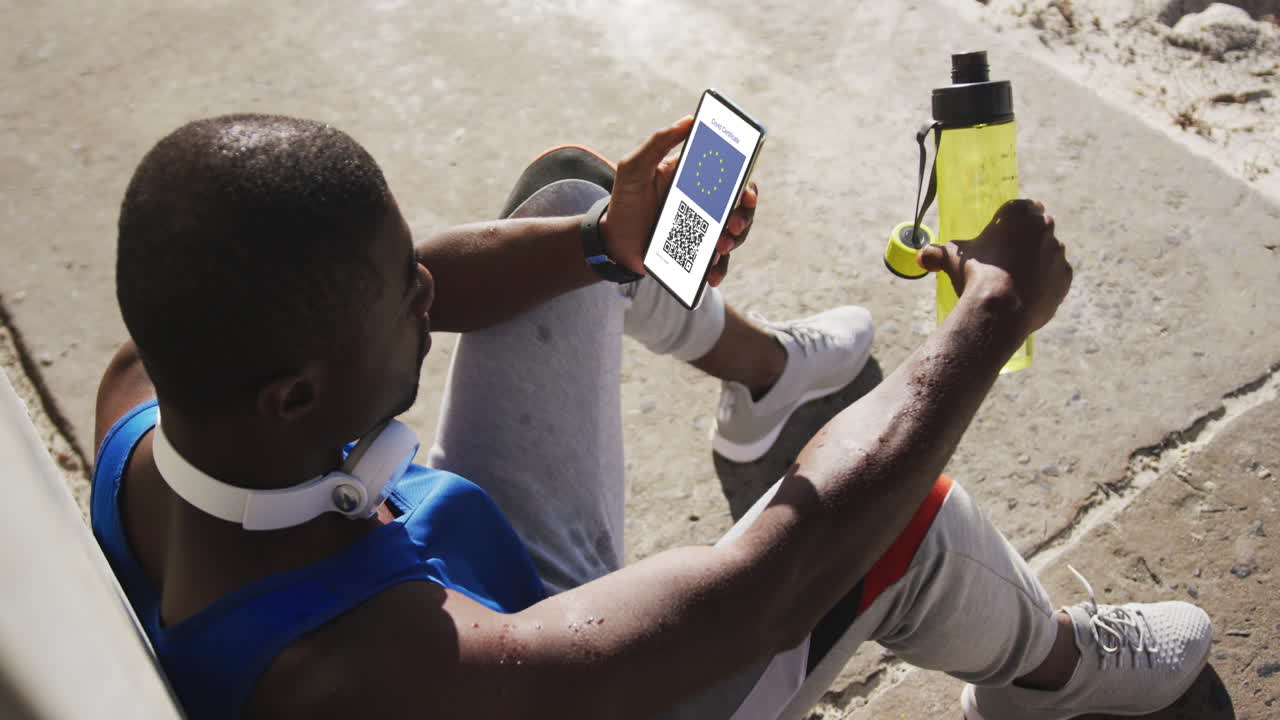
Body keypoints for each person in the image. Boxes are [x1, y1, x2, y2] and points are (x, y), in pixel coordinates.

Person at [91, 113, 1210, 720]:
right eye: (404, 290)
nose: (428, 290)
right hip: (551, 678)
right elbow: (770, 580)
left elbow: (392, 290)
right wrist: (989, 321)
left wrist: (598, 246)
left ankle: (765, 374)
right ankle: (1050, 678)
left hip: (470, 588)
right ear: (294, 392)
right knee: (901, 527)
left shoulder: (148, 393)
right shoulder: (374, 676)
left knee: (568, 195)